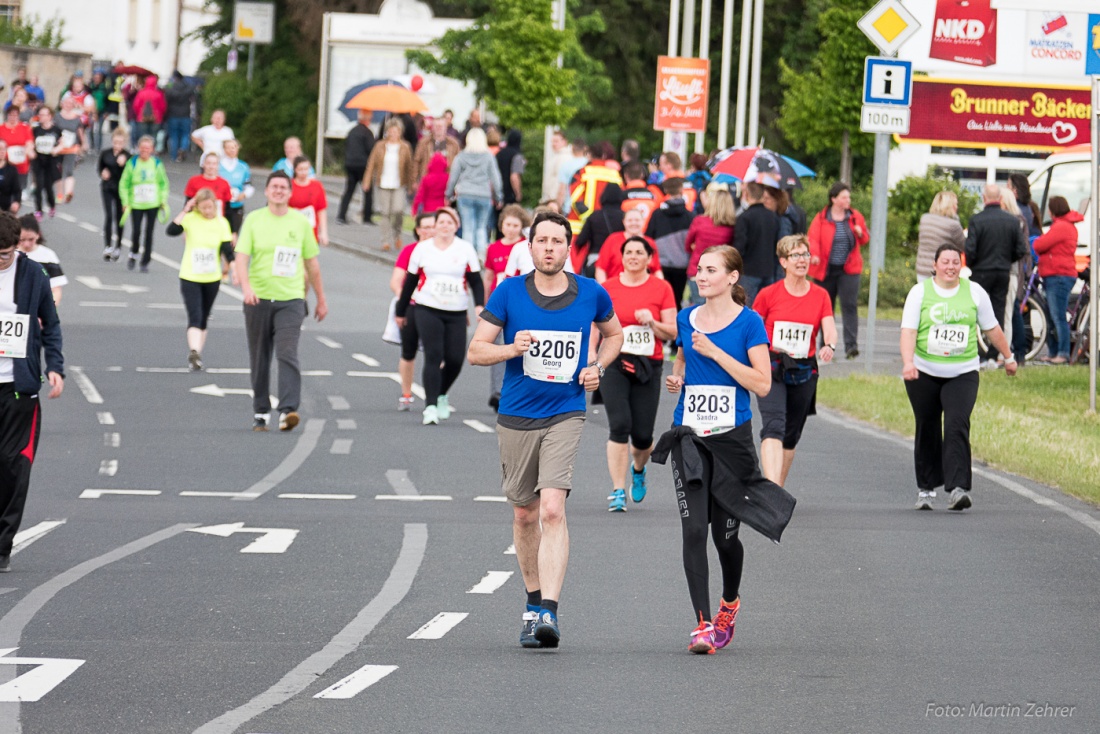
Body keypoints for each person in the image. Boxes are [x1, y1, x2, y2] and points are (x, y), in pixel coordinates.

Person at [467, 210, 623, 649]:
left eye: (558, 241)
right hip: (517, 415)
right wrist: (509, 349)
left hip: (565, 412)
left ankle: (549, 612)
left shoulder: (590, 293)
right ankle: (533, 601)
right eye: (542, 241)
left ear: (568, 248)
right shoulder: (509, 292)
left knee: (552, 508)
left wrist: (597, 367)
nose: (550, 248)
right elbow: (476, 352)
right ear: (530, 247)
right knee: (524, 513)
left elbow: (615, 335)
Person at [651, 244, 788, 655]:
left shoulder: (749, 324)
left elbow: (762, 383)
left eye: (710, 270)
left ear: (732, 277)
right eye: (699, 268)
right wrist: (678, 378)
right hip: (689, 434)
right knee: (694, 529)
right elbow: (682, 357)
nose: (700, 275)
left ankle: (730, 602)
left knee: (724, 538)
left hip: (731, 439)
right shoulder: (684, 317)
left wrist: (717, 353)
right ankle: (702, 624)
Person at [901, 244, 1016, 511]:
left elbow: (992, 328)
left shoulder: (974, 292)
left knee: (956, 424)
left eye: (955, 262)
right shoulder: (920, 293)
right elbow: (908, 331)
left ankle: (958, 488)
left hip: (962, 372)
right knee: (927, 426)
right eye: (945, 262)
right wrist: (908, 363)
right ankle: (926, 490)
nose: (951, 267)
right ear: (935, 265)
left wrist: (1008, 357)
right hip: (924, 371)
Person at [235, 171, 328, 432]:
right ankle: (261, 411)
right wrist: (247, 288)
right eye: (274, 187)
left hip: (291, 299)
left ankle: (288, 410)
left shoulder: (299, 223)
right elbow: (241, 258)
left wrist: (321, 299)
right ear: (266, 191)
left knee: (287, 352)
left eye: (283, 188)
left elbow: (312, 264)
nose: (278, 191)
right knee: (260, 356)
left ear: (290, 193)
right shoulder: (254, 220)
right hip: (258, 299)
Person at [0, 211, 64, 574]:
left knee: (13, 466)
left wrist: (55, 366)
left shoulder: (33, 275)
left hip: (18, 387)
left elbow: (51, 326)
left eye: (6, 254)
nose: (1, 261)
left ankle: (2, 543)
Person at [599, 236, 677, 511]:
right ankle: (618, 490)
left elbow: (673, 331)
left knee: (643, 436)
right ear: (621, 258)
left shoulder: (661, 288)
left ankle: (639, 468)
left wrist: (653, 322)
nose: (633, 256)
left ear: (648, 258)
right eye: (628, 252)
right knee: (619, 425)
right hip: (614, 362)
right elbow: (596, 327)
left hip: (648, 364)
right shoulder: (608, 288)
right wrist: (589, 362)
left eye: (639, 252)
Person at [753, 235, 837, 486]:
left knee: (790, 435)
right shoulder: (768, 294)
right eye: (795, 256)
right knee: (773, 426)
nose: (802, 260)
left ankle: (777, 486)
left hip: (803, 370)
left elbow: (829, 326)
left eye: (805, 255)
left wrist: (829, 345)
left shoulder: (820, 295)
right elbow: (753, 328)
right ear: (783, 262)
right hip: (773, 367)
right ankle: (770, 488)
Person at [394, 206, 485, 425]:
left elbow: (475, 281)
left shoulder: (465, 249)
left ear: (457, 226)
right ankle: (431, 406)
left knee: (455, 359)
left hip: (456, 311)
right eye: (441, 222)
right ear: (435, 227)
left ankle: (441, 393)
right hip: (427, 308)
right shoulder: (423, 249)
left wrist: (480, 306)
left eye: (450, 222)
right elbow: (411, 282)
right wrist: (401, 310)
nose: (445, 226)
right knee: (434, 355)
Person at [167, 188, 234, 371]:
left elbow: (227, 249)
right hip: (190, 276)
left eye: (210, 208)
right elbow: (171, 230)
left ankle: (197, 356)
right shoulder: (190, 219)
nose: (207, 211)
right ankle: (194, 350)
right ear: (197, 207)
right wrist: (186, 209)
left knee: (204, 316)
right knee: (195, 314)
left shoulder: (222, 223)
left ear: (215, 206)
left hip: (212, 277)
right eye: (203, 208)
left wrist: (235, 267)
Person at [964, 184, 1029, 366]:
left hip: (981, 272)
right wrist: (1007, 260)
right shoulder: (1012, 221)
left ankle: (976, 349)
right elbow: (1021, 249)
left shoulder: (976, 220)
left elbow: (970, 249)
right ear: (1000, 199)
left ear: (984, 199)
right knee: (997, 312)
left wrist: (973, 264)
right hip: (1002, 271)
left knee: (973, 310)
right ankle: (994, 354)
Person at [808, 182, 870, 359]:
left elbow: (865, 238)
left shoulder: (855, 216)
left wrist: (860, 232)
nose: (848, 200)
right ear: (834, 199)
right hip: (826, 270)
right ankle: (826, 346)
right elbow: (813, 239)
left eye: (848, 197)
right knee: (826, 308)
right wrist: (815, 255)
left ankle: (851, 346)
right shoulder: (821, 218)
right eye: (844, 197)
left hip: (849, 269)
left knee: (849, 306)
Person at [484, 204, 531, 410]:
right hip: (497, 303)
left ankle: (515, 389)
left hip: (518, 303)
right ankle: (497, 391)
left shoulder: (525, 247)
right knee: (496, 347)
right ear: (501, 225)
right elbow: (488, 277)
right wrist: (485, 304)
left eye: (515, 225)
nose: (511, 228)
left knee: (516, 346)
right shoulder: (493, 248)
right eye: (508, 224)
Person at [389, 212, 436, 412]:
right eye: (423, 227)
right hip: (413, 306)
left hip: (437, 307)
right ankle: (406, 394)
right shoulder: (410, 251)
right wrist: (406, 298)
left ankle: (437, 393)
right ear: (417, 230)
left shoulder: (444, 252)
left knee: (437, 353)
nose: (427, 231)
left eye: (431, 226)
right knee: (408, 352)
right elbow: (395, 281)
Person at [1033, 196, 1082, 365]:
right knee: (1053, 316)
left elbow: (1040, 245)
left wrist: (1036, 242)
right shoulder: (1067, 225)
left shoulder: (1061, 226)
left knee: (1057, 316)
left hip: (1058, 276)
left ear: (1052, 210)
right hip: (1058, 274)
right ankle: (1054, 352)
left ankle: (1062, 353)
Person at [445, 127, 502, 258]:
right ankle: (481, 255)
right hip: (483, 194)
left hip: (465, 193)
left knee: (468, 226)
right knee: (481, 227)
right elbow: (496, 178)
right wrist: (498, 196)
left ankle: (467, 256)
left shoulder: (461, 156)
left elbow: (453, 177)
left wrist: (448, 194)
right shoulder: (488, 157)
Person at [118, 135, 169, 272]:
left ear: (152, 149)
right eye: (142, 148)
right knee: (136, 231)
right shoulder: (132, 163)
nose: (145, 150)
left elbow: (163, 183)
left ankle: (145, 261)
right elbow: (124, 183)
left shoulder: (157, 164)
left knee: (149, 233)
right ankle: (133, 253)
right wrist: (125, 202)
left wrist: (162, 200)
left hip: (152, 203)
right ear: (138, 148)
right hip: (136, 204)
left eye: (148, 148)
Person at [363, 119, 415, 252]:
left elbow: (410, 167)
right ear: (387, 132)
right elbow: (371, 164)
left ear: (400, 132)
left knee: (398, 210)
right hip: (383, 183)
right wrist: (367, 181)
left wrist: (411, 184)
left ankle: (397, 234)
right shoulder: (380, 146)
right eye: (390, 131)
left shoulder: (405, 147)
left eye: (396, 131)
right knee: (385, 213)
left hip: (399, 183)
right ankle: (385, 240)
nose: (393, 134)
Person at [646, 177, 694, 313]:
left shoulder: (657, 214)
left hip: (661, 265)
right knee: (678, 300)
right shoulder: (690, 216)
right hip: (682, 264)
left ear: (665, 191)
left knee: (662, 300)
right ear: (681, 190)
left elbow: (648, 237)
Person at [685, 184, 736, 304]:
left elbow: (687, 245)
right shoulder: (731, 228)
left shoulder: (699, 221)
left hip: (697, 269)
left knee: (698, 310)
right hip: (720, 273)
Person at [733, 182, 780, 306]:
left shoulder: (744, 218)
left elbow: (739, 247)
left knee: (745, 307)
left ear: (747, 194)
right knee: (764, 309)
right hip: (768, 270)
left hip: (749, 270)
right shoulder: (773, 217)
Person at [596, 207, 662, 283]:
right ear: (624, 222)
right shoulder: (612, 240)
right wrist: (605, 290)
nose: (633, 223)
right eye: (630, 220)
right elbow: (600, 269)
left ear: (643, 221)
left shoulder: (650, 243)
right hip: (615, 290)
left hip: (644, 290)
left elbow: (657, 270)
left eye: (637, 220)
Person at [574, 184, 626, 277]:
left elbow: (580, 241)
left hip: (595, 259)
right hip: (618, 261)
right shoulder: (625, 217)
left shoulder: (594, 216)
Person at [916, 192, 965, 283]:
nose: (957, 207)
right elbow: (963, 246)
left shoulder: (924, 219)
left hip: (921, 270)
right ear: (950, 206)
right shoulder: (953, 225)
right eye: (955, 204)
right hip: (940, 272)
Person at [17, 214, 66, 304]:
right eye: (22, 240)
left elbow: (56, 289)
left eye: (31, 239)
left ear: (38, 235)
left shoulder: (48, 255)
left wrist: (50, 312)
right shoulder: (9, 254)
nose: (26, 244)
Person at [337, 108, 375, 225]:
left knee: (349, 190)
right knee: (367, 191)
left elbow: (346, 146)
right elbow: (371, 150)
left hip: (350, 164)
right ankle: (367, 217)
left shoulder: (352, 131)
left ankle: (341, 215)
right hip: (363, 165)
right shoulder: (367, 133)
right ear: (368, 119)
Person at [98, 128, 130, 260]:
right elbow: (100, 167)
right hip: (107, 187)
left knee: (119, 218)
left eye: (120, 143)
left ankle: (118, 246)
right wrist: (102, 173)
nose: (117, 145)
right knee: (109, 215)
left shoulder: (128, 155)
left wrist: (124, 163)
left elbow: (130, 174)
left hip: (121, 189)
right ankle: (108, 246)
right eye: (115, 142)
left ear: (124, 143)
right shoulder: (106, 153)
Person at [31, 106, 63, 220]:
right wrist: (31, 151)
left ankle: (52, 205)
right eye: (40, 115)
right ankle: (38, 210)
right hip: (38, 160)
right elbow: (30, 143)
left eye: (44, 115)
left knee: (48, 186)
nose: (42, 117)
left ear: (50, 116)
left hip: (51, 160)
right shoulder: (36, 130)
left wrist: (57, 149)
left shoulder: (56, 130)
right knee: (38, 186)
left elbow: (62, 143)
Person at [288, 155, 328, 246]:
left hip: (310, 232)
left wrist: (323, 232)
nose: (303, 172)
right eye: (300, 169)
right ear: (295, 169)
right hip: (291, 231)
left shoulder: (317, 186)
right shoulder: (289, 185)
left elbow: (321, 210)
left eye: (306, 169)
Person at [53, 96, 85, 205]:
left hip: (71, 148)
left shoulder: (76, 118)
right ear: (62, 104)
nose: (68, 105)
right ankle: (60, 193)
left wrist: (83, 144)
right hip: (59, 148)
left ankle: (68, 193)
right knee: (58, 171)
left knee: (69, 170)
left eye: (70, 103)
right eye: (66, 103)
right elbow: (52, 130)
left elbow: (80, 131)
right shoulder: (57, 117)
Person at [218, 139, 252, 235]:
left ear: (238, 149)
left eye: (234, 147)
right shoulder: (218, 166)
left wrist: (244, 195)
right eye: (228, 147)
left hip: (237, 206)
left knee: (234, 235)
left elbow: (249, 186)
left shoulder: (243, 167)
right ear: (224, 149)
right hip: (221, 206)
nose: (231, 150)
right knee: (221, 235)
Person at [413, 117, 460, 181]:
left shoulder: (453, 144)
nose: (439, 128)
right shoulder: (423, 143)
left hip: (447, 181)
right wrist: (414, 180)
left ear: (446, 127)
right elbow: (416, 162)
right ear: (432, 128)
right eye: (436, 126)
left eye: (441, 126)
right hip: (427, 181)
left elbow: (459, 163)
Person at [620, 160, 662, 228]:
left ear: (626, 176)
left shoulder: (621, 195)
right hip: (650, 235)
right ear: (642, 175)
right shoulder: (654, 193)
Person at [0, 107, 32, 194]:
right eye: (11, 115)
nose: (13, 117)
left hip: (21, 156)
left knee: (22, 173)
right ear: (7, 116)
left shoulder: (24, 127)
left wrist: (27, 150)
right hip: (6, 157)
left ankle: (23, 189)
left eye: (15, 115)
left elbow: (29, 142)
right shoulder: (1, 128)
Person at [163, 71, 194, 162]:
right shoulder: (188, 89)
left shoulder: (170, 89)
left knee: (174, 136)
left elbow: (166, 102)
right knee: (185, 134)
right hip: (185, 115)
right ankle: (183, 149)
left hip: (173, 115)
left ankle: (174, 156)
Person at [129, 75, 166, 145]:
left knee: (142, 137)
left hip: (142, 118)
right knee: (153, 137)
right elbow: (163, 107)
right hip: (156, 119)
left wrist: (139, 114)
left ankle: (143, 151)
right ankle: (151, 152)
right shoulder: (158, 93)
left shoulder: (141, 93)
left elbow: (136, 105)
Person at [410, 152, 448, 216]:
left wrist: (414, 210)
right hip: (443, 208)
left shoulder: (426, 179)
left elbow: (420, 196)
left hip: (428, 209)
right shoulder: (447, 178)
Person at [496, 129, 526, 207]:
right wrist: (518, 193)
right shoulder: (517, 155)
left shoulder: (499, 153)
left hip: (498, 192)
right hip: (510, 195)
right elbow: (514, 176)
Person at [541, 129, 569, 204]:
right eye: (552, 141)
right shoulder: (556, 156)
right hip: (551, 199)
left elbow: (560, 181)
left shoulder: (564, 157)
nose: (553, 144)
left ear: (564, 142)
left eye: (556, 141)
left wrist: (555, 200)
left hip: (555, 200)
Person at [0, 141, 22, 214]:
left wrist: (16, 202)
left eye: (4, 149)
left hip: (5, 208)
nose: (2, 152)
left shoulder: (11, 169)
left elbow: (17, 190)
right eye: (0, 149)